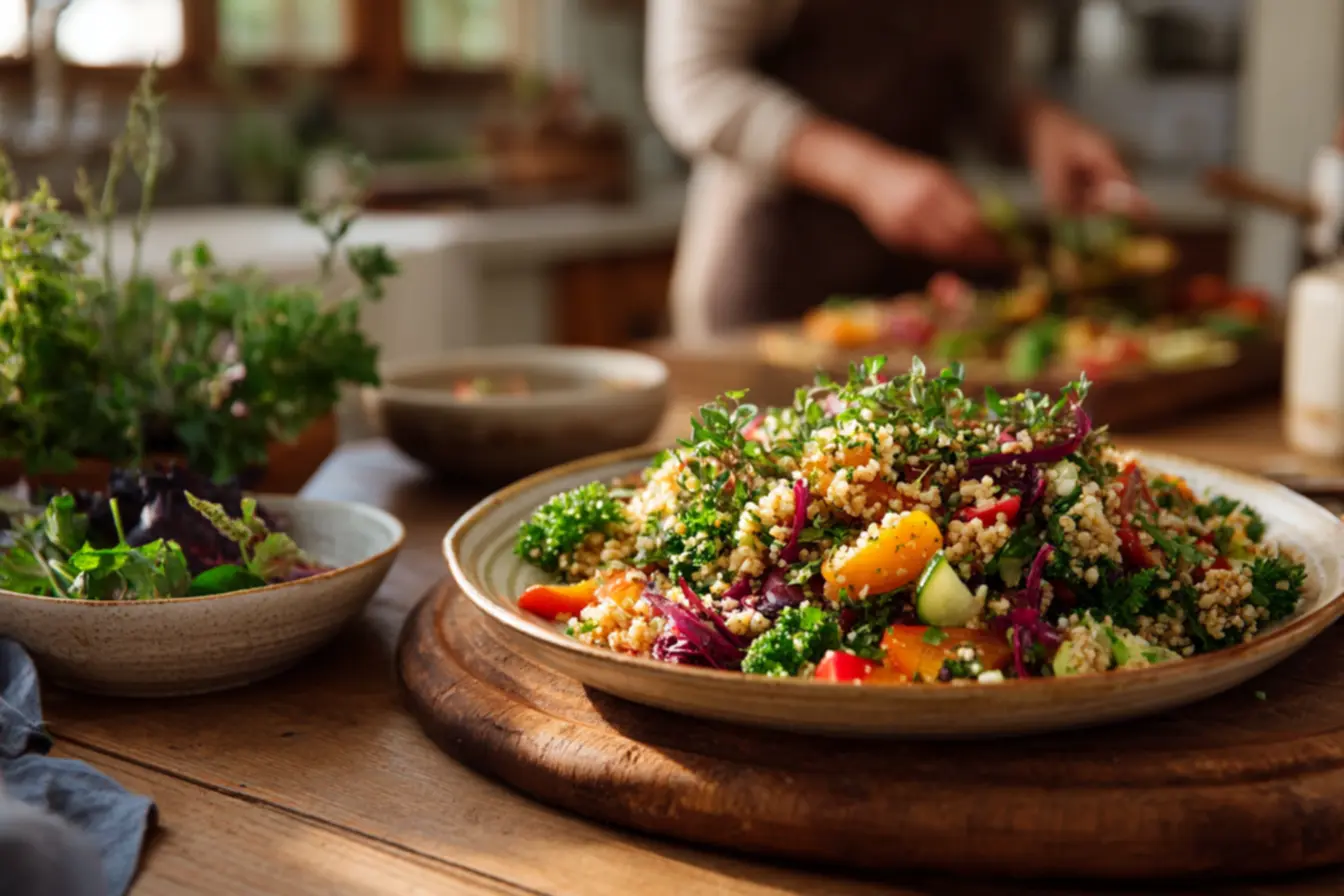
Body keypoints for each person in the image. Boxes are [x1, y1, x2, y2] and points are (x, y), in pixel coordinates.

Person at [647, 0, 1142, 341]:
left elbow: (983, 81)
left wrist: (1038, 124)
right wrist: (867, 175)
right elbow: (694, 82)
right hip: (773, 275)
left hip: (924, 289)